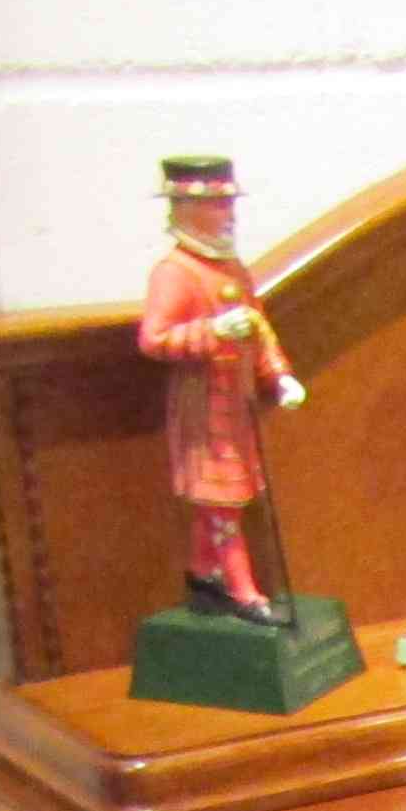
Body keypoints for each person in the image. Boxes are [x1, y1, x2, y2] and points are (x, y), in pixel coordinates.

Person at [136, 154, 306, 627]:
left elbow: (258, 326)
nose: (227, 214)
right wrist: (211, 332)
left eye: (227, 203)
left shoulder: (231, 268)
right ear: (184, 211)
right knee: (222, 499)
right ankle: (243, 591)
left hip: (237, 400)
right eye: (215, 205)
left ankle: (202, 572)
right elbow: (155, 339)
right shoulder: (175, 272)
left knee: (223, 496)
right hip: (202, 403)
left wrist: (279, 375)